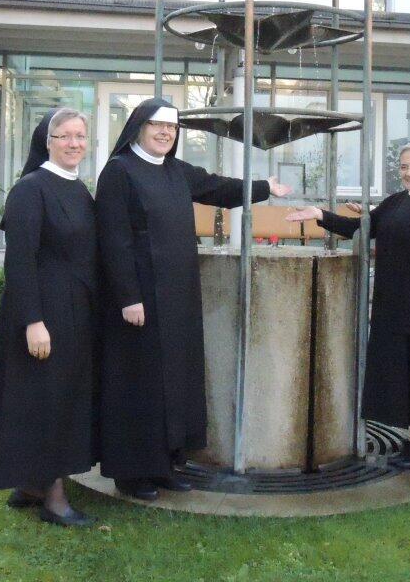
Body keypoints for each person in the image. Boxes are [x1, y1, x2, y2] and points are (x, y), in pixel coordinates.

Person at [96, 98, 291, 501]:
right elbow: (114, 241)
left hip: (178, 295)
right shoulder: (119, 172)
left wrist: (265, 188)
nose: (166, 133)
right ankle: (132, 473)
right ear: (138, 128)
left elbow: (220, 188)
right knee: (141, 382)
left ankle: (165, 464)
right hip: (140, 298)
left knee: (174, 381)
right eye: (158, 126)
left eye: (172, 127)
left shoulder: (174, 170)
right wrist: (128, 297)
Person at [286, 140, 410, 468]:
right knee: (404, 377)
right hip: (395, 308)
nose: (409, 173)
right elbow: (361, 227)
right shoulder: (396, 202)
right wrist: (320, 215)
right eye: (404, 167)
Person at [0, 108, 99, 528]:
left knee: (58, 401)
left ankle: (29, 484)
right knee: (44, 404)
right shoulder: (30, 189)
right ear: (46, 142)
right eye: (63, 136)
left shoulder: (79, 189)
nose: (73, 143)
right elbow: (20, 262)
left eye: (80, 136)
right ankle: (53, 498)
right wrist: (32, 321)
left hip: (74, 314)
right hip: (42, 314)